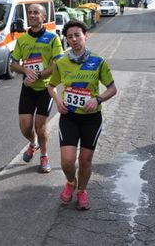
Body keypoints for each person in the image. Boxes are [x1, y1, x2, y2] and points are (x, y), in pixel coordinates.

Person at [47, 20, 117, 210]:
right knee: (67, 161)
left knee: (85, 160)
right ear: (67, 40)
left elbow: (112, 89)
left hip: (91, 118)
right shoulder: (61, 62)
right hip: (69, 117)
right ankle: (71, 182)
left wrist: (98, 99)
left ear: (85, 35)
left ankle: (82, 191)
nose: (74, 39)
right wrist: (58, 101)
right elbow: (51, 86)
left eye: (78, 35)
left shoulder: (98, 61)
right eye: (70, 37)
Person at [10, 4, 64, 173]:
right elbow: (13, 64)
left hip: (45, 88)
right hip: (27, 88)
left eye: (36, 13)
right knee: (25, 127)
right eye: (30, 13)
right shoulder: (22, 39)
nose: (32, 15)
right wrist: (25, 71)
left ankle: (44, 155)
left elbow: (57, 64)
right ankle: (33, 144)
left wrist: (38, 76)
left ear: (43, 17)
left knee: (40, 126)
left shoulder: (52, 38)